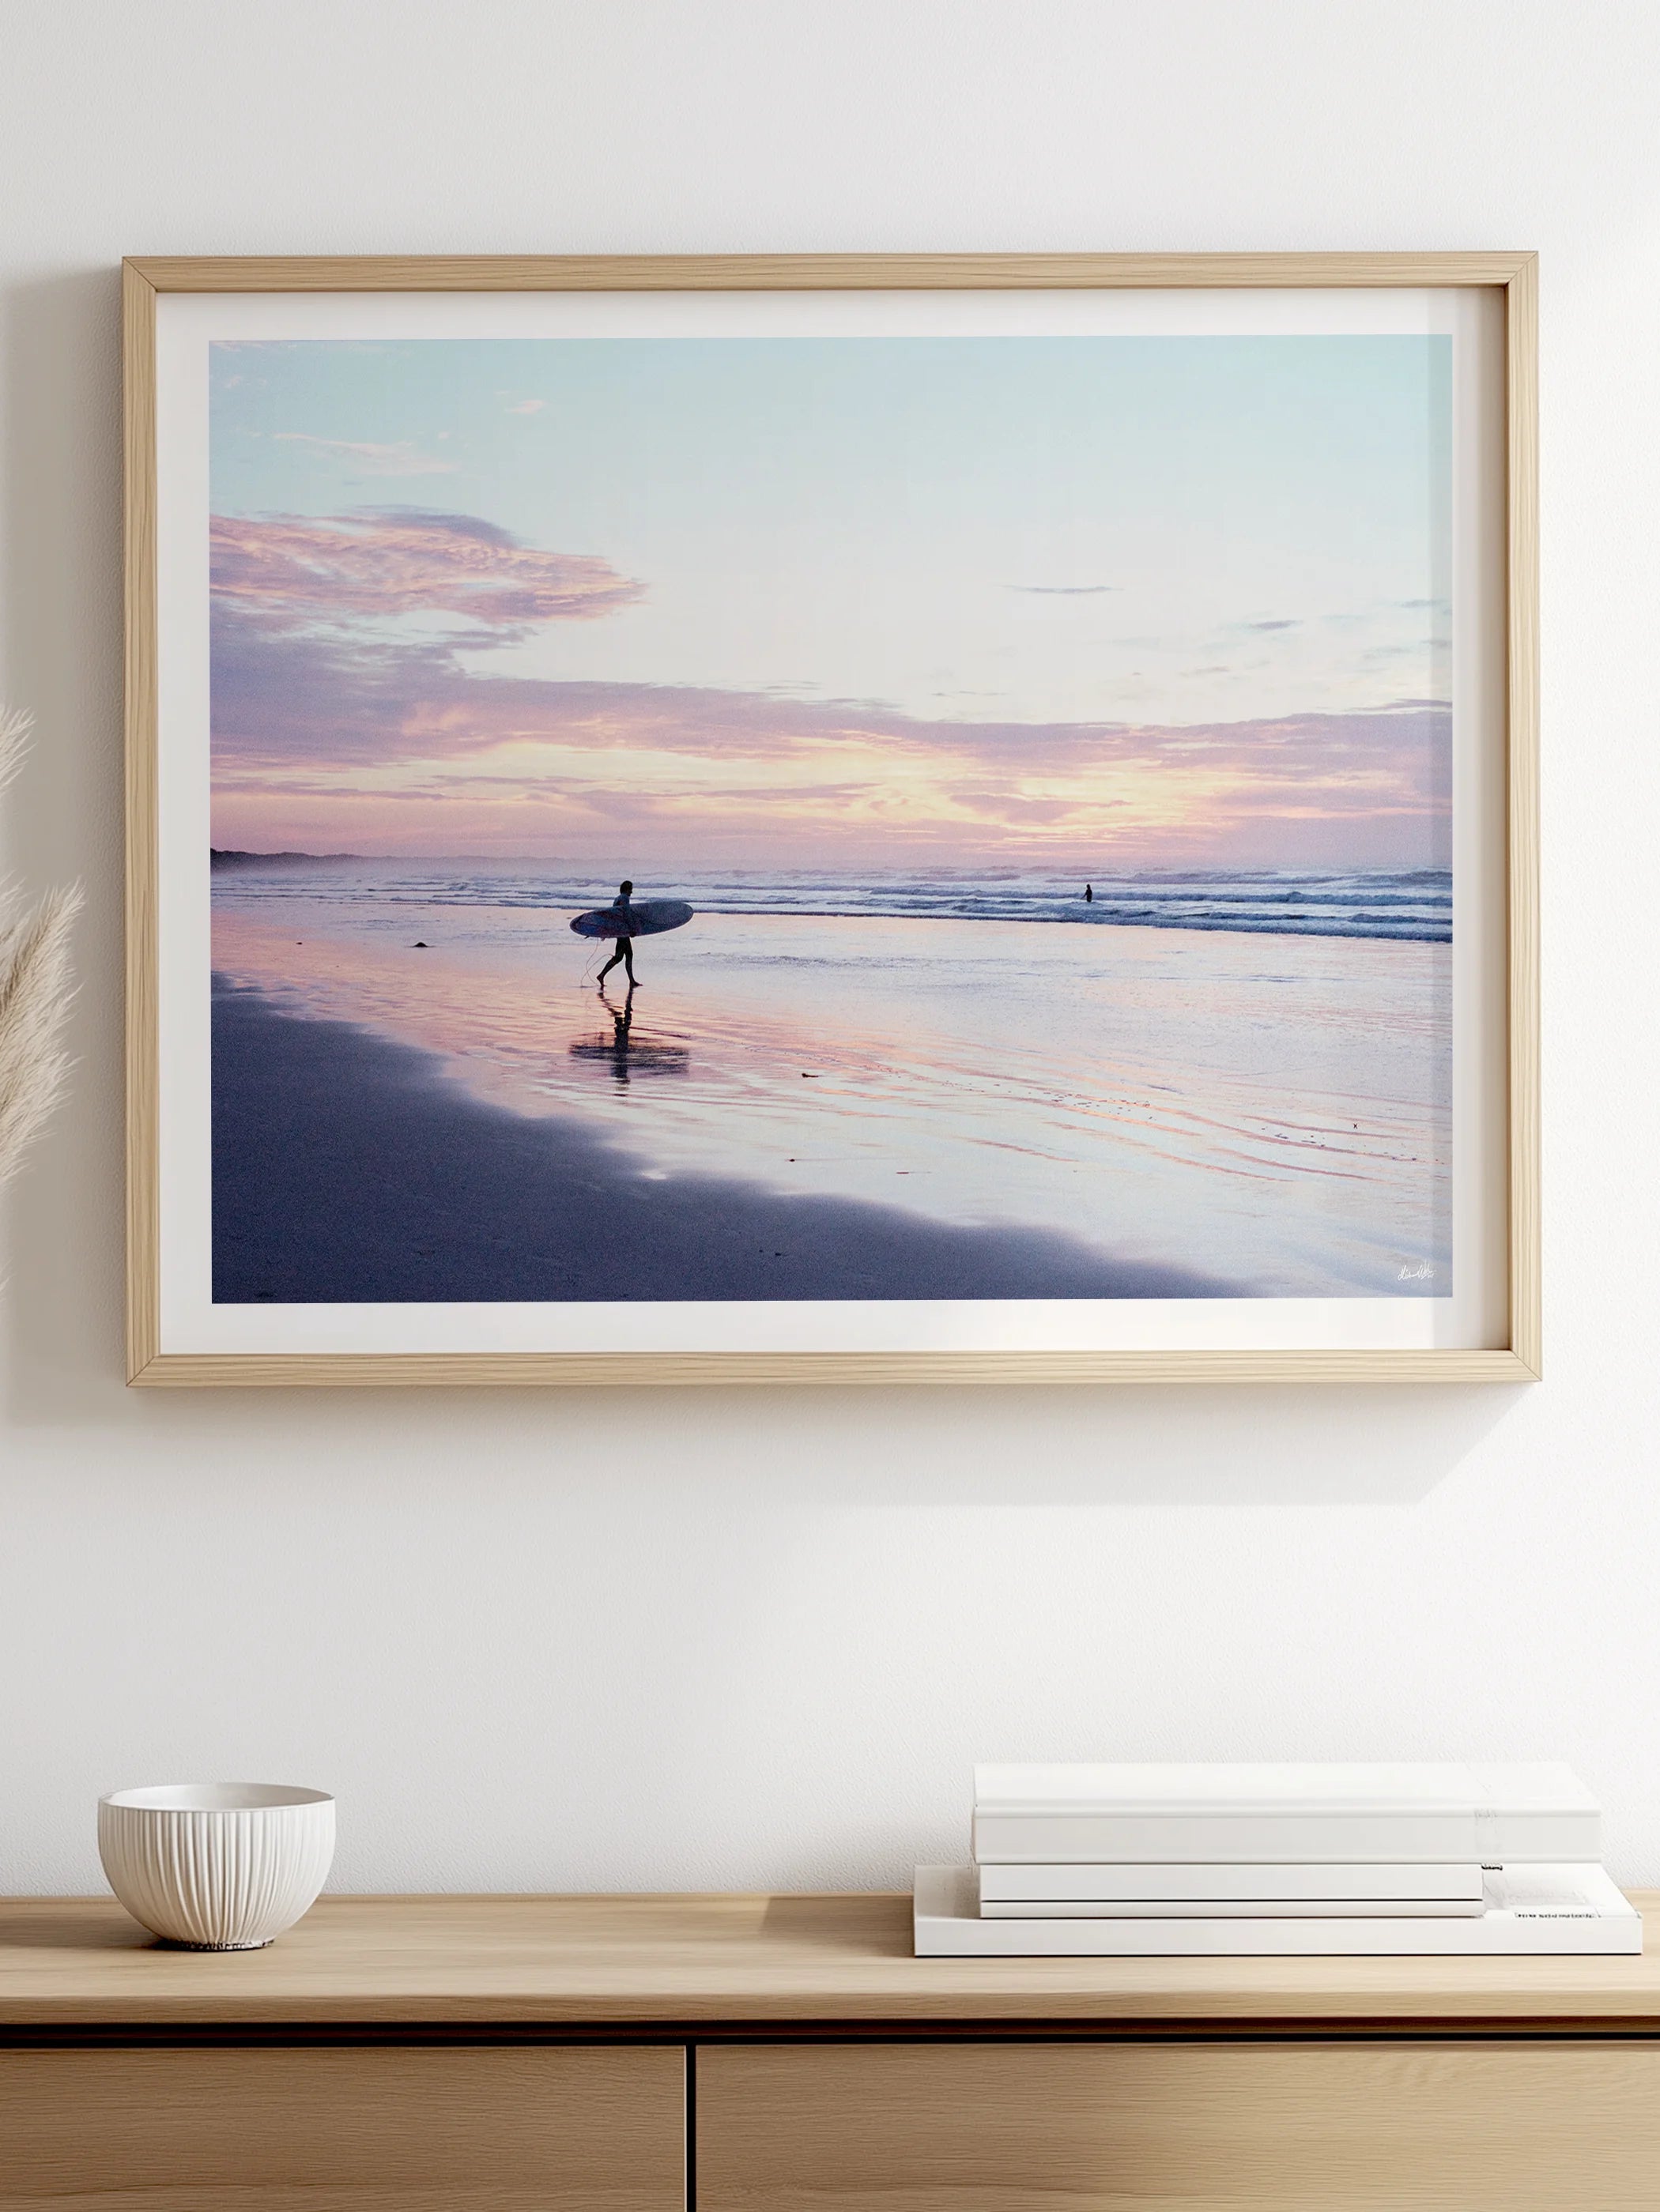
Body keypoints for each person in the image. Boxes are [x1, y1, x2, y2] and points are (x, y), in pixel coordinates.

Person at [597, 880, 640, 990]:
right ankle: (631, 981)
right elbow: (627, 914)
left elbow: (615, 915)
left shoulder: (617, 898)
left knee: (619, 957)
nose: (631, 892)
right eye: (631, 889)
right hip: (623, 931)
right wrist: (632, 929)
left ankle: (602, 975)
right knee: (628, 955)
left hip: (619, 930)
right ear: (627, 889)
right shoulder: (625, 898)